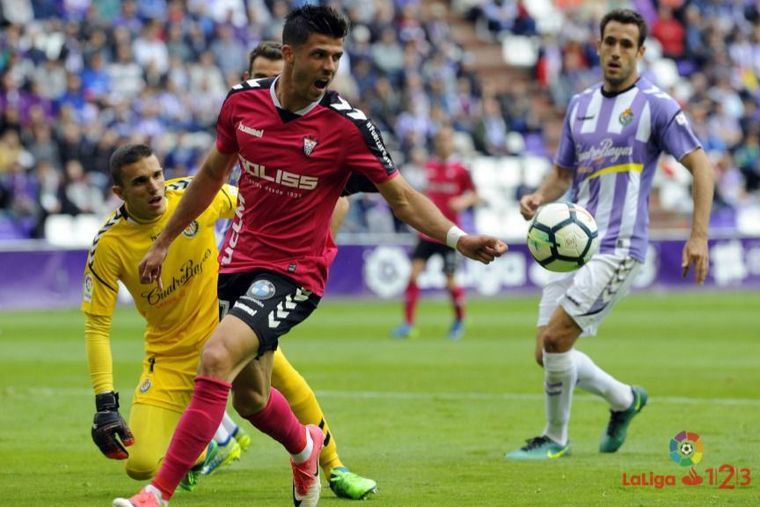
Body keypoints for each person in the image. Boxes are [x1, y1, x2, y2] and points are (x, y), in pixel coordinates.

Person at [116, 6, 506, 507]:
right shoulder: (241, 104)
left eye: (336, 56)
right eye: (319, 54)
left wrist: (459, 238)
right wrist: (166, 238)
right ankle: (306, 447)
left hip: (294, 273)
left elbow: (403, 198)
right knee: (251, 399)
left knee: (214, 358)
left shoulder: (347, 128)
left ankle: (157, 493)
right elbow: (212, 175)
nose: (328, 66)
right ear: (289, 54)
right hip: (236, 263)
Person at [505, 9, 713, 460]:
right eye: (610, 42)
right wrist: (539, 196)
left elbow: (702, 167)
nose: (616, 51)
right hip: (573, 246)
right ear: (598, 46)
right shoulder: (580, 105)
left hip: (619, 246)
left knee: (559, 340)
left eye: (626, 44)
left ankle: (554, 438)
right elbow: (563, 172)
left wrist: (698, 236)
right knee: (546, 351)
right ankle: (624, 399)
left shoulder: (656, 105)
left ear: (640, 52)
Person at [239, 39, 378, 500]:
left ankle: (329, 463)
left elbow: (339, 198)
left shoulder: (327, 132)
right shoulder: (241, 124)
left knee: (268, 373)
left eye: (274, 71)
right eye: (258, 73)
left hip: (277, 269)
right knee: (222, 368)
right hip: (230, 264)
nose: (267, 82)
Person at [83, 144, 248, 493]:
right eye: (140, 181)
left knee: (278, 394)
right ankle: (213, 441)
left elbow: (252, 205)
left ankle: (331, 463)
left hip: (228, 334)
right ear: (119, 192)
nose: (155, 187)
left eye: (157, 175)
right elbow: (97, 326)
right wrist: (105, 403)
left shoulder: (194, 194)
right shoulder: (109, 243)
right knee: (140, 466)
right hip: (169, 353)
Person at [391, 125, 480, 340]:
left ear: (452, 143)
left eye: (447, 140)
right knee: (412, 275)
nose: (443, 144)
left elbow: (475, 195)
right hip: (427, 231)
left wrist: (463, 200)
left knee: (450, 281)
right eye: (440, 140)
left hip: (450, 233)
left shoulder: (461, 170)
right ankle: (409, 324)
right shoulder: (428, 167)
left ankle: (459, 321)